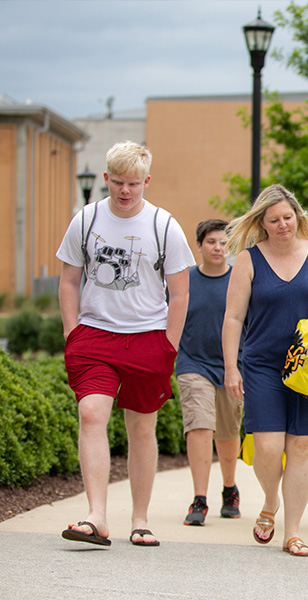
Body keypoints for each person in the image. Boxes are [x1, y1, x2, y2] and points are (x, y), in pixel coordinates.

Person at [57, 141, 195, 547]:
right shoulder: (86, 219)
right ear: (105, 179)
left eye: (133, 183)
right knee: (91, 413)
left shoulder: (164, 225)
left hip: (148, 336)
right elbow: (68, 280)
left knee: (141, 427)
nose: (125, 191)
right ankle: (96, 516)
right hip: (95, 334)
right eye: (117, 182)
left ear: (146, 181)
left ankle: (140, 519)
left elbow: (181, 293)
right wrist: (72, 334)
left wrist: (168, 345)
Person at [222, 184, 308, 557]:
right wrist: (231, 367)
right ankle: (269, 501)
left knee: (300, 446)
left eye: (287, 217)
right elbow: (233, 318)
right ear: (261, 223)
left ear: (297, 216)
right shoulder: (248, 260)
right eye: (274, 220)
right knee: (266, 445)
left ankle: (292, 532)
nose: (282, 225)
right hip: (262, 363)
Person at [176, 220, 243, 526]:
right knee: (200, 426)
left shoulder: (239, 280)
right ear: (199, 246)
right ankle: (199, 498)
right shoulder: (184, 281)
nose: (218, 248)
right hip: (193, 364)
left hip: (232, 366)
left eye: (223, 243)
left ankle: (229, 489)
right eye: (212, 242)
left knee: (228, 433)